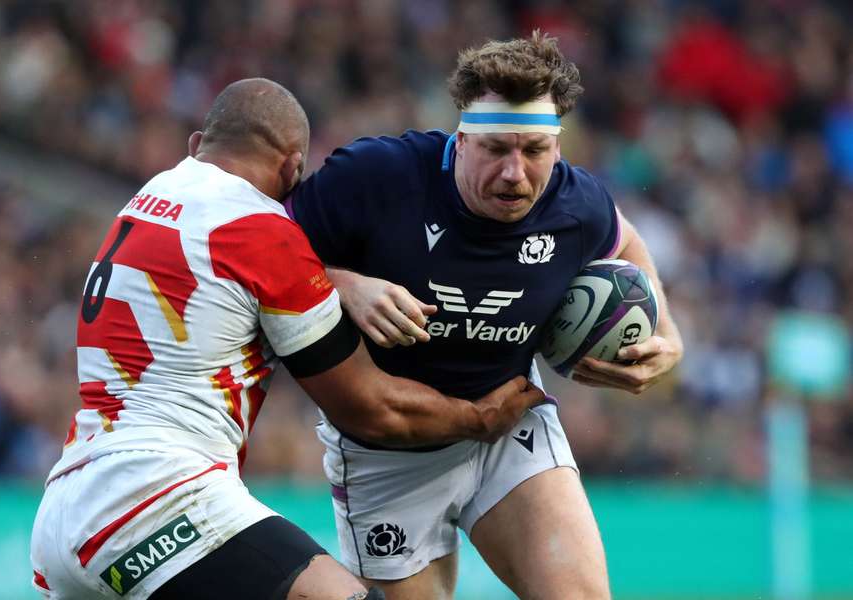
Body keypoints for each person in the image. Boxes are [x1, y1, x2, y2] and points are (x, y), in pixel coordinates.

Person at [29, 78, 546, 600]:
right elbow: (371, 409)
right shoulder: (261, 229)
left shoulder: (151, 196)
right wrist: (477, 419)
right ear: (292, 169)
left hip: (68, 506)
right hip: (154, 497)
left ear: (197, 145)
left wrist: (337, 281)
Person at [286, 32, 684, 599]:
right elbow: (262, 245)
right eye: (496, 148)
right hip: (388, 454)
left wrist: (669, 337)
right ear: (462, 138)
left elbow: (626, 240)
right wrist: (340, 283)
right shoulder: (375, 177)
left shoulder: (574, 203)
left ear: (558, 148)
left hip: (510, 425)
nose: (515, 174)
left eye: (534, 151)